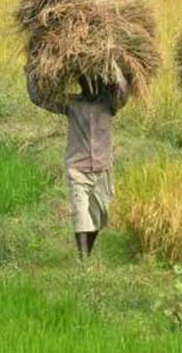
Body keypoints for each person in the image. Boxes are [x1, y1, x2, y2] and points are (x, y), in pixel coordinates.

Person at [28, 70, 130, 259]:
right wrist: (32, 73)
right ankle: (83, 261)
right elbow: (39, 99)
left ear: (101, 84)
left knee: (99, 217)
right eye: (85, 83)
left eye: (93, 83)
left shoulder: (110, 104)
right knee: (80, 213)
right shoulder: (72, 104)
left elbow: (123, 90)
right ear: (81, 85)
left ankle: (86, 254)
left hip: (103, 168)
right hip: (78, 169)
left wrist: (114, 67)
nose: (89, 87)